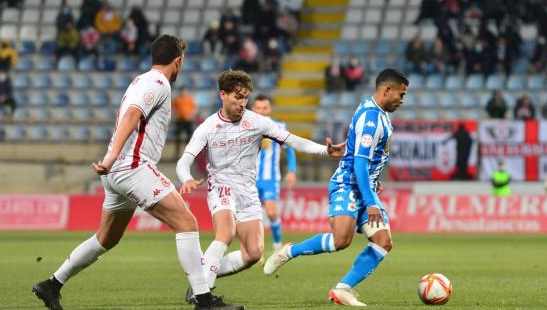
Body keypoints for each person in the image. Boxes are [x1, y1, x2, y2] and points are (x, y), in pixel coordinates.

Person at [32, 35, 240, 310]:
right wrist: (111, 156)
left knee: (107, 237)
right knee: (186, 223)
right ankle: (204, 301)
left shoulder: (140, 80)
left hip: (118, 172)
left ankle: (51, 285)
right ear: (178, 61)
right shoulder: (158, 83)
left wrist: (111, 161)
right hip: (133, 166)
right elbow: (132, 114)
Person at [176, 70, 345, 305]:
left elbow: (293, 140)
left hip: (248, 191)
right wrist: (186, 177)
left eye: (245, 97)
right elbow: (184, 159)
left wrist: (325, 151)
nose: (242, 103)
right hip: (221, 188)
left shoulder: (256, 122)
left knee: (253, 254)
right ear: (222, 94)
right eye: (237, 97)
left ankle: (200, 278)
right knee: (225, 234)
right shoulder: (208, 126)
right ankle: (202, 292)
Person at [263, 68, 409, 307]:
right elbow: (360, 162)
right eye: (401, 95)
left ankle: (342, 289)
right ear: (387, 90)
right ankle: (290, 251)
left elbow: (366, 157)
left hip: (366, 185)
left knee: (383, 241)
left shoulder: (378, 112)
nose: (402, 100)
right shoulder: (372, 118)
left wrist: (373, 180)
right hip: (348, 185)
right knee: (341, 240)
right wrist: (370, 201)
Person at [250, 94, 297, 252]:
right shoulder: (246, 125)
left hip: (270, 178)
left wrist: (291, 170)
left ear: (269, 109)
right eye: (258, 108)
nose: (262, 111)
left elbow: (289, 148)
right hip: (249, 178)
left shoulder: (278, 126)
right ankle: (252, 247)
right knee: (249, 216)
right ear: (253, 108)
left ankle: (277, 246)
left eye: (265, 108)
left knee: (270, 212)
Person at [173, 86, 197, 157]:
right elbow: (174, 109)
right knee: (178, 138)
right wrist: (176, 115)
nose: (183, 92)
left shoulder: (190, 99)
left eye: (184, 91)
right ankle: (177, 153)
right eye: (182, 91)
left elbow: (194, 109)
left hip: (188, 121)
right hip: (179, 121)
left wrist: (190, 115)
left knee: (189, 137)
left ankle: (189, 153)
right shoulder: (177, 99)